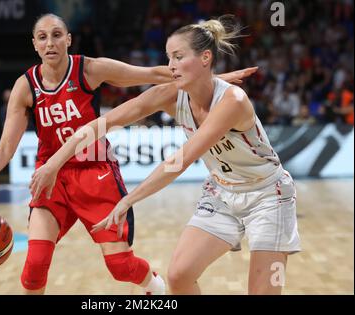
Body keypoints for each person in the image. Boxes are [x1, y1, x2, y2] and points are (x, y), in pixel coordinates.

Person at [0, 13, 256, 295]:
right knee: (35, 266)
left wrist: (211, 79)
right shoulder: (26, 86)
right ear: (34, 44)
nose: (50, 43)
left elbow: (151, 74)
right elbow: (6, 147)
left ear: (68, 40)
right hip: (51, 176)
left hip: (94, 173)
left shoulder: (89, 69)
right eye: (43, 37)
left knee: (120, 266)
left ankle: (155, 288)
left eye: (57, 35)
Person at [30, 16, 301, 295]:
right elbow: (101, 124)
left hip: (268, 196)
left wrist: (128, 200)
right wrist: (54, 162)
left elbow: (179, 161)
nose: (170, 66)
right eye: (169, 57)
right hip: (222, 192)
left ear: (205, 58)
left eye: (178, 57)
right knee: (179, 276)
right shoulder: (169, 95)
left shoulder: (233, 101)